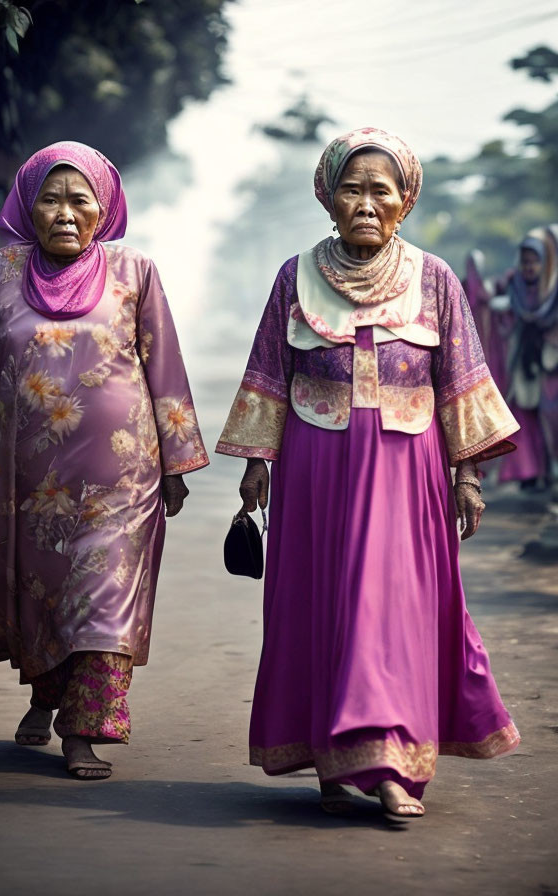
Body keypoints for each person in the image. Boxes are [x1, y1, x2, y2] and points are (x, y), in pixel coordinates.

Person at [216, 127, 520, 820]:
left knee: (390, 612)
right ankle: (334, 752)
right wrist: (257, 468)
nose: (365, 202)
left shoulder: (435, 278)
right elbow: (268, 373)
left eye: (380, 190)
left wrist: (466, 477)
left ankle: (391, 764)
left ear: (404, 200)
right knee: (323, 604)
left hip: (406, 471)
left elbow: (461, 387)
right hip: (314, 470)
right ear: (327, 196)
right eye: (351, 188)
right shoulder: (294, 277)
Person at [0, 142, 208, 779]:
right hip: (23, 478)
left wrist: (175, 461)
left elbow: (163, 366)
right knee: (45, 593)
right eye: (49, 199)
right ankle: (44, 696)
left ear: (104, 207)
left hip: (122, 478)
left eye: (80, 200)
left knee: (102, 596)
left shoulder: (135, 271)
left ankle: (85, 732)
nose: (64, 213)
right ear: (28, 204)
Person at [494, 229, 558, 489]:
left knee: (550, 416)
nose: (530, 267)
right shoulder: (514, 287)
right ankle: (531, 474)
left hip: (552, 364)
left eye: (535, 261)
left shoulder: (553, 290)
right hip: (524, 364)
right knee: (525, 417)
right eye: (525, 262)